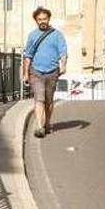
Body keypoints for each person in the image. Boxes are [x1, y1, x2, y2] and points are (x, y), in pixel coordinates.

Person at [22, 7, 68, 139]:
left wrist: (63, 65)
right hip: (36, 72)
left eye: (45, 19)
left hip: (52, 72)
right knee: (39, 99)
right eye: (40, 19)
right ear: (36, 21)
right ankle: (39, 126)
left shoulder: (57, 35)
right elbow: (28, 55)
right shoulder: (32, 36)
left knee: (48, 101)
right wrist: (26, 73)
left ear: (49, 19)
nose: (42, 21)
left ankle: (47, 123)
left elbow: (63, 52)